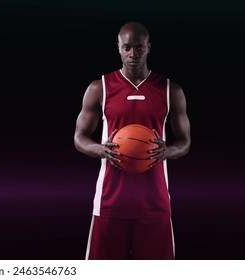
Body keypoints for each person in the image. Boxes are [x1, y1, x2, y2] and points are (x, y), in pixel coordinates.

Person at [73, 21, 191, 260]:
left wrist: (167, 152)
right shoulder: (100, 88)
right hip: (109, 201)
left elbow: (185, 142)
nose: (133, 53)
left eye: (139, 47)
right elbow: (79, 137)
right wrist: (100, 149)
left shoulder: (170, 90)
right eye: (127, 47)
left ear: (149, 48)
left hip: (154, 202)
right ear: (118, 48)